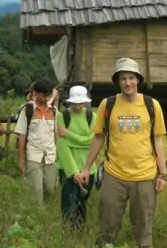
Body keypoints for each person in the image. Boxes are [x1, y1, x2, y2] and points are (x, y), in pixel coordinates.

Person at [74, 57, 167, 248]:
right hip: (113, 175)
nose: (128, 82)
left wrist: (163, 174)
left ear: (138, 80)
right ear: (118, 81)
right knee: (107, 228)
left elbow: (157, 140)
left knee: (143, 230)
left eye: (131, 78)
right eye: (123, 78)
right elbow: (98, 137)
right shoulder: (107, 105)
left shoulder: (152, 105)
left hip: (145, 176)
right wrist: (85, 168)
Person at [56, 85, 97, 231]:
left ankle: (80, 231)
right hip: (67, 168)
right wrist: (73, 172)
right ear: (70, 102)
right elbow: (62, 146)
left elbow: (92, 141)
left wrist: (69, 135)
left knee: (82, 202)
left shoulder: (92, 117)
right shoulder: (62, 117)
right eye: (75, 103)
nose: (78, 107)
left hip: (88, 167)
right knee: (68, 202)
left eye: (81, 103)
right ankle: (67, 232)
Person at [14, 80, 58, 206]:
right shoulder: (27, 110)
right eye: (44, 95)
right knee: (36, 189)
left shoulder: (54, 111)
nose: (46, 98)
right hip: (33, 154)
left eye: (49, 95)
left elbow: (56, 134)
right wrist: (21, 158)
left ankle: (46, 207)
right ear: (35, 94)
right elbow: (22, 135)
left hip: (50, 154)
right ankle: (37, 213)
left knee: (50, 187)